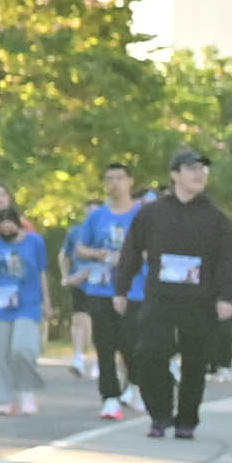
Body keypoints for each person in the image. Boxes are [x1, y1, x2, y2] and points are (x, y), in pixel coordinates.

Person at [112, 150, 232, 438]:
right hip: (160, 297)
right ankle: (159, 415)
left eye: (203, 169)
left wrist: (226, 296)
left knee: (196, 361)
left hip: (201, 300)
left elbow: (228, 261)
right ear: (174, 175)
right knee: (149, 352)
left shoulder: (217, 218)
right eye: (191, 168)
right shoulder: (152, 213)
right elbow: (131, 251)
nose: (199, 174)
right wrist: (121, 288)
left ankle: (187, 420)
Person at [62, 165, 140, 420]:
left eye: (120, 178)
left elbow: (153, 247)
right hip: (101, 287)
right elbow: (80, 248)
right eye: (109, 179)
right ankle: (110, 397)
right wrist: (100, 254)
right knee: (105, 344)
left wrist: (127, 258)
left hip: (133, 290)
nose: (115, 183)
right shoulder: (97, 217)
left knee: (130, 342)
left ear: (130, 181)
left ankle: (135, 386)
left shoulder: (142, 214)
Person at [0, 183, 50, 414]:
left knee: (22, 348)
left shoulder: (34, 242)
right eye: (1, 226)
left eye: (9, 224)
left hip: (28, 303)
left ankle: (27, 391)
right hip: (1, 304)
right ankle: (5, 398)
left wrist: (47, 302)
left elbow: (42, 272)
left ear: (18, 223)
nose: (6, 229)